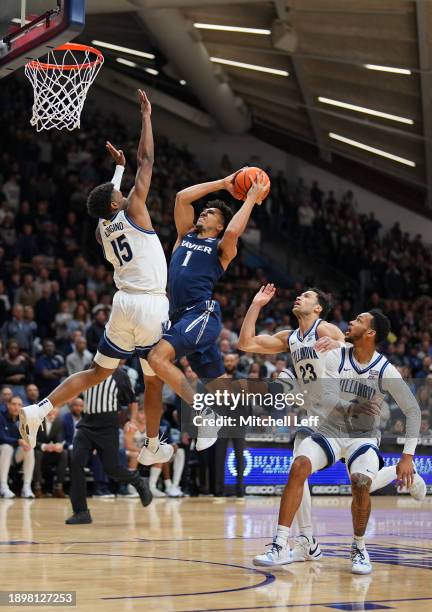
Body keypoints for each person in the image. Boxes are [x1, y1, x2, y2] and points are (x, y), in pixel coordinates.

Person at [19, 90, 171, 467]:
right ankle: (151, 445)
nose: (123, 192)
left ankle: (40, 409)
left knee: (96, 372)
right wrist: (147, 118)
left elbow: (105, 203)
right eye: (120, 192)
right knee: (154, 380)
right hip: (151, 303)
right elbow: (148, 160)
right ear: (119, 202)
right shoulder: (133, 207)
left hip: (121, 304)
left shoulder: (102, 231)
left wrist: (116, 172)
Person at [253, 310, 421, 574]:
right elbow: (328, 400)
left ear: (370, 333)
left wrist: (408, 456)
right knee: (298, 466)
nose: (351, 321)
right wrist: (353, 406)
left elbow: (413, 410)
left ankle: (359, 546)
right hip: (330, 430)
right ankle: (279, 543)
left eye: (359, 320)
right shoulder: (335, 356)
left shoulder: (384, 369)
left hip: (362, 438)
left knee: (362, 483)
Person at [145, 170, 270, 452]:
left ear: (219, 225)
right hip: (179, 318)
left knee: (157, 358)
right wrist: (223, 184)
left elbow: (235, 231)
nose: (203, 212)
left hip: (200, 314)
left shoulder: (221, 248)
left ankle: (205, 416)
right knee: (220, 388)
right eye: (204, 210)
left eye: (210, 212)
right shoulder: (183, 236)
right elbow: (181, 198)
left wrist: (250, 199)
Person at [238, 284, 345, 561]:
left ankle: (400, 473)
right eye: (300, 294)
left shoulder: (324, 329)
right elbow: (246, 343)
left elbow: (359, 354)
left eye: (308, 295)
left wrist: (339, 344)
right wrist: (256, 305)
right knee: (298, 472)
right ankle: (304, 539)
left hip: (341, 414)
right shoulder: (291, 338)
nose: (300, 296)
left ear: (318, 308)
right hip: (313, 414)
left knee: (363, 479)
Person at [66, 368, 152, 524]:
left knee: (111, 469)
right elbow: (73, 389)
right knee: (76, 462)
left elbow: (132, 401)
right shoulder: (88, 370)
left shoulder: (120, 375)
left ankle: (137, 480)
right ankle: (81, 512)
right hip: (86, 426)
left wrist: (132, 421)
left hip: (108, 428)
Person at [0, 396, 35, 498]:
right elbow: (1, 438)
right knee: (7, 447)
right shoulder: (1, 416)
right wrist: (18, 441)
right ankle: (3, 486)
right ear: (8, 405)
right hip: (2, 453)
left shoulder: (23, 419)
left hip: (13, 457)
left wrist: (27, 442)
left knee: (29, 449)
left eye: (19, 405)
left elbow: (26, 438)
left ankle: (26, 488)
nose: (16, 407)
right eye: (14, 404)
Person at [33, 407, 68, 498]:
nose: (53, 415)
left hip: (51, 452)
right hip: (38, 450)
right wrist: (44, 446)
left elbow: (59, 439)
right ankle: (37, 487)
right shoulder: (36, 421)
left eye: (55, 413)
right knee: (37, 453)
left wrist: (58, 446)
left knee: (64, 453)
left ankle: (58, 487)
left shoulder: (58, 422)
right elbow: (31, 440)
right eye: (50, 413)